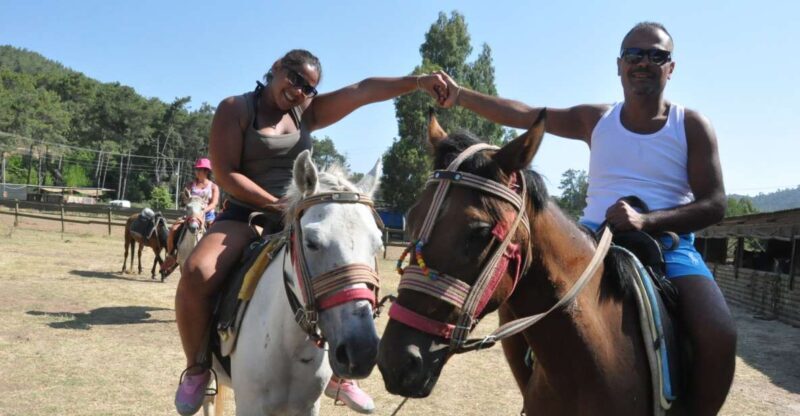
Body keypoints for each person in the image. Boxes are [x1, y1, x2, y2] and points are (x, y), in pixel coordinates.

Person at [434, 22, 736, 416]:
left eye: (656, 55)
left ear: (670, 68)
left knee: (719, 334)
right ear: (619, 65)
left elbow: (714, 204)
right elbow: (526, 114)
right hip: (594, 240)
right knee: (513, 303)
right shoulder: (596, 119)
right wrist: (459, 96)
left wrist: (647, 221)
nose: (644, 62)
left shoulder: (691, 125)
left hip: (669, 244)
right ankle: (535, 398)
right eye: (634, 54)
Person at [173, 49, 447, 415]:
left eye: (308, 87)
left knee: (339, 267)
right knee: (197, 272)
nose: (299, 90)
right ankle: (197, 366)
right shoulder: (235, 108)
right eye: (294, 78)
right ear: (275, 68)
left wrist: (416, 83)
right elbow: (225, 174)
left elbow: (362, 90)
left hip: (301, 215)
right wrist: (278, 204)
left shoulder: (308, 113)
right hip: (245, 215)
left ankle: (341, 372)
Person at [161, 158, 219, 275]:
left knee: (217, 237)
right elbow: (185, 199)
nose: (197, 172)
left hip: (207, 216)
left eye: (199, 169)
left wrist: (203, 211)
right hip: (190, 215)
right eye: (196, 169)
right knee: (173, 229)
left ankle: (217, 260)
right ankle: (171, 255)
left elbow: (214, 203)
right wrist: (187, 201)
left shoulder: (213, 187)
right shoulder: (190, 184)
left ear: (206, 171)